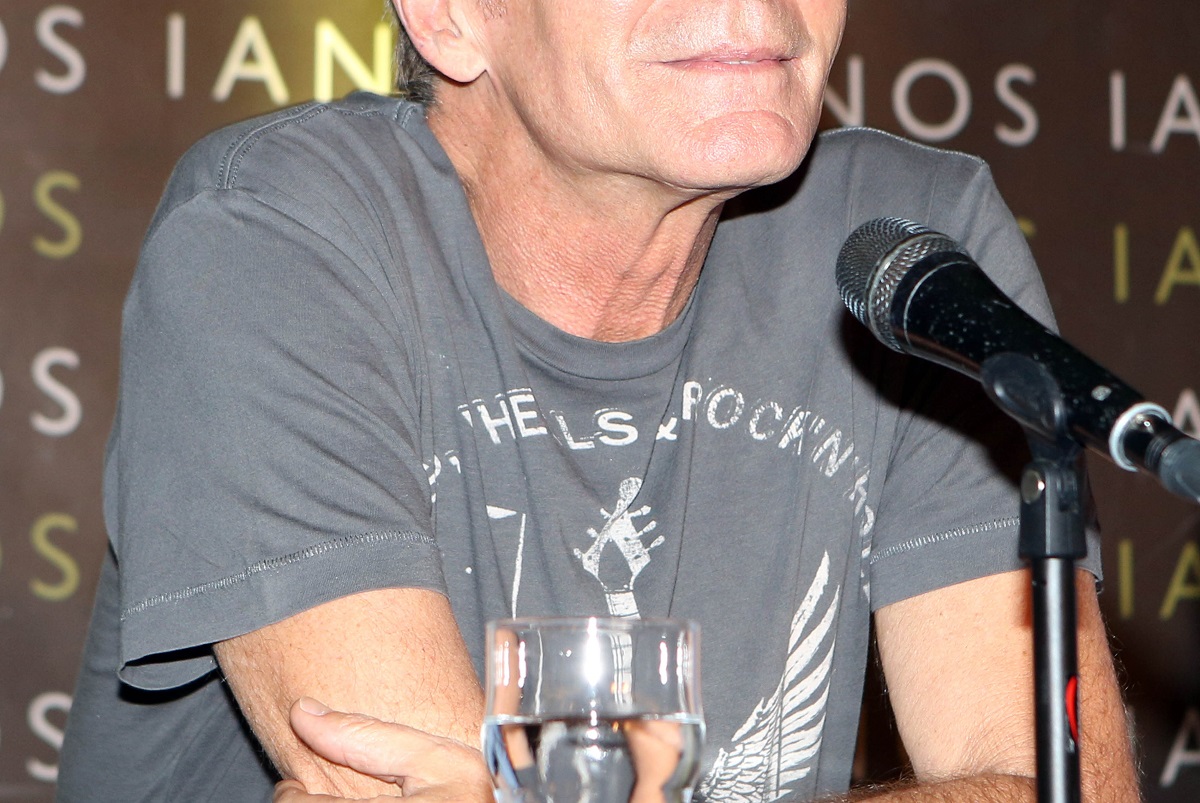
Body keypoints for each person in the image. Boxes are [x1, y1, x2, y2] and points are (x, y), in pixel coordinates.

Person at [58, 0, 1141, 801]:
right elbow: (400, 778)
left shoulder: (906, 258)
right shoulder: (273, 236)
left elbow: (1063, 785)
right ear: (450, 16)